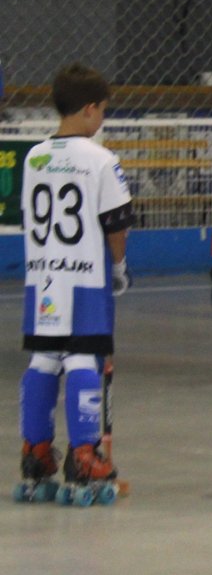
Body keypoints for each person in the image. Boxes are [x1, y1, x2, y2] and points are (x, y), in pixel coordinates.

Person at [16, 63, 132, 502]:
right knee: (83, 357)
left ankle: (36, 451)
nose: (102, 118)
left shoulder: (34, 157)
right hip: (85, 278)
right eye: (102, 110)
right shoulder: (101, 160)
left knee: (44, 358)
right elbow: (116, 223)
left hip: (43, 279)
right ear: (88, 109)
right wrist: (118, 267)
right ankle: (84, 453)